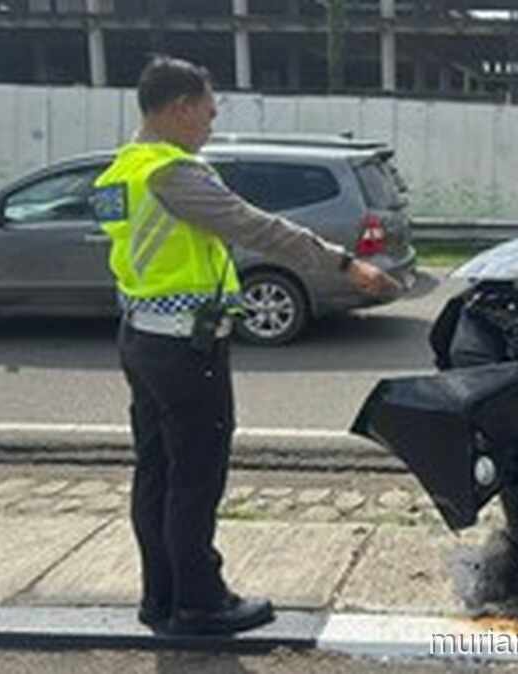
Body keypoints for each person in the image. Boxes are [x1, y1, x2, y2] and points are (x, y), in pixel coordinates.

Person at [93, 55, 401, 635]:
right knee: (195, 477)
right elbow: (255, 226)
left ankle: (160, 597)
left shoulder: (122, 170)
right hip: (186, 351)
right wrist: (343, 265)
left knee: (156, 472)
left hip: (142, 338)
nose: (211, 123)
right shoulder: (173, 173)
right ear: (180, 108)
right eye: (208, 112)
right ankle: (200, 602)